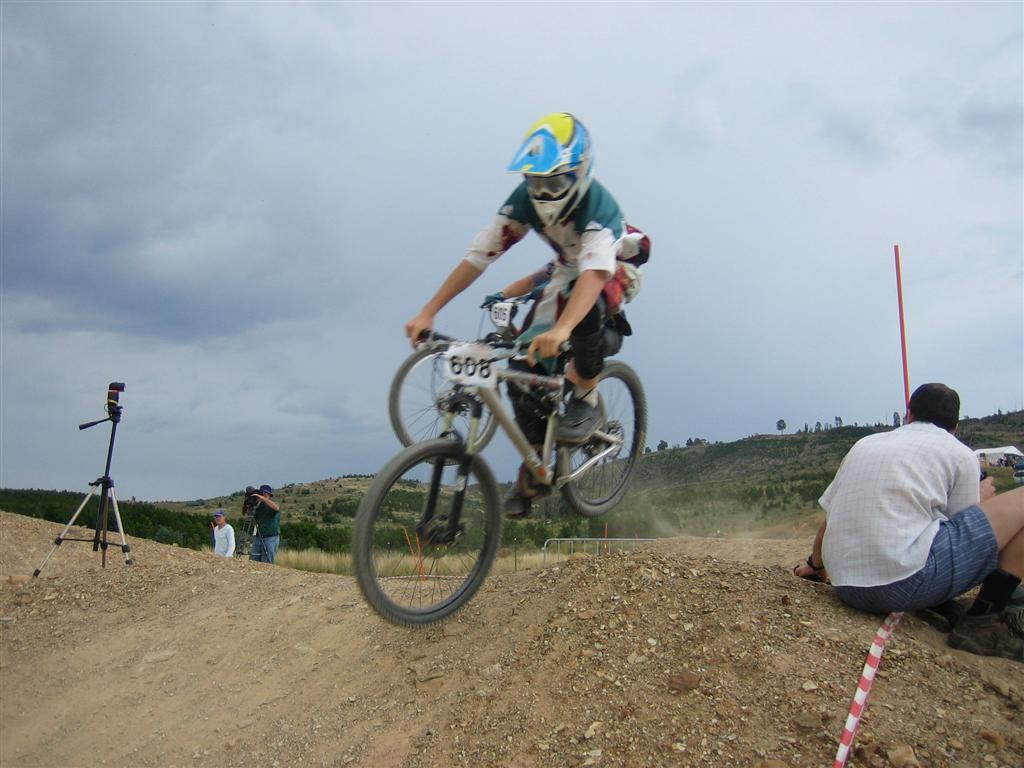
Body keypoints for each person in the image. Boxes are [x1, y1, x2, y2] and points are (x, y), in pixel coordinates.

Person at [404, 112, 649, 518]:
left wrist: (564, 328)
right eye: (536, 181)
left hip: (612, 268)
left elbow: (591, 278)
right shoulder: (522, 201)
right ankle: (536, 467)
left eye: (554, 182)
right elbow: (479, 256)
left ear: (580, 173)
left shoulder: (598, 206)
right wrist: (428, 311)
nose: (543, 191)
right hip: (568, 271)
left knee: (584, 311)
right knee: (523, 363)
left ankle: (586, 396)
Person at [795, 383, 1024, 660]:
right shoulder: (960, 453)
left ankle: (992, 600)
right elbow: (965, 528)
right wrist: (982, 499)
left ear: (909, 415)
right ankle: (984, 621)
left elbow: (831, 516)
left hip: (845, 586)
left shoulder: (864, 444)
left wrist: (816, 563)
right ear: (954, 427)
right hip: (901, 586)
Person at [247, 484, 281, 564]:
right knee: (253, 561)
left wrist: (263, 499)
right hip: (258, 537)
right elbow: (254, 522)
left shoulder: (271, 505)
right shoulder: (258, 507)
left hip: (270, 538)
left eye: (266, 493)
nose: (264, 495)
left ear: (269, 495)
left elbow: (277, 508)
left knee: (267, 562)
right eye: (263, 493)